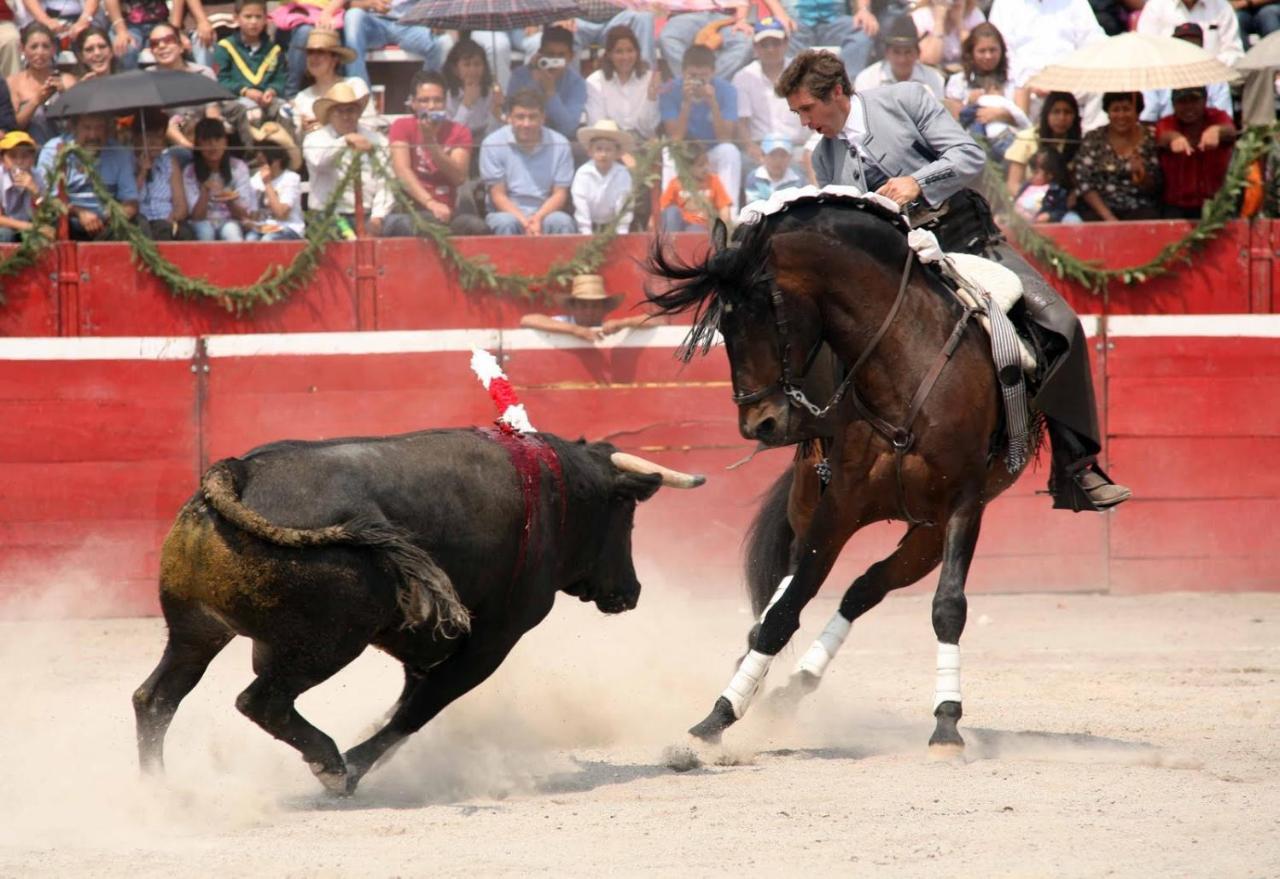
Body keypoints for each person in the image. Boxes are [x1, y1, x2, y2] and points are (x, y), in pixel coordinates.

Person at [776, 49, 1131, 509]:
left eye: (807, 109)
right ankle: (829, 456)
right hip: (903, 265)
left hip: (969, 241)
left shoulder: (904, 100)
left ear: (838, 92)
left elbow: (968, 156)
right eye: (797, 112)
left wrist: (918, 182)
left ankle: (1077, 467)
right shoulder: (825, 157)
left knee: (1060, 325)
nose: (805, 121)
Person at [383, 71, 486, 236]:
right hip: (412, 210)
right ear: (414, 103)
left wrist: (431, 143)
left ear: (445, 103)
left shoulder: (459, 131)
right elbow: (402, 172)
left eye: (437, 100)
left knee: (477, 227)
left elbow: (458, 177)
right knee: (426, 223)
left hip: (449, 211)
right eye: (424, 100)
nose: (431, 106)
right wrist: (430, 203)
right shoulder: (401, 126)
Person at [477, 88, 575, 236]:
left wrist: (537, 218)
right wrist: (525, 221)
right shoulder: (492, 143)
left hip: (546, 212)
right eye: (520, 117)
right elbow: (498, 195)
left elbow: (560, 194)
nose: (526, 123)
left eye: (533, 117)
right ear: (509, 118)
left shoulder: (560, 144)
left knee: (562, 221)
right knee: (505, 222)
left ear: (543, 118)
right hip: (506, 213)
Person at [660, 44, 741, 217]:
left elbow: (725, 138)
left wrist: (712, 102)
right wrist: (687, 103)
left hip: (712, 152)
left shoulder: (727, 91)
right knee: (669, 151)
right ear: (683, 72)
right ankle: (669, 214)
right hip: (687, 153)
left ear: (712, 73)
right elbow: (675, 138)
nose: (697, 81)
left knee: (730, 151)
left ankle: (730, 217)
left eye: (703, 76)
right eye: (692, 76)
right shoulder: (670, 89)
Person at [303, 80, 392, 235]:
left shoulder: (378, 140)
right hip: (326, 216)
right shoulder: (315, 139)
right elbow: (319, 161)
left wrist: (377, 217)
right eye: (339, 111)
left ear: (358, 113)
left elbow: (386, 182)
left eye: (350, 110)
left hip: (369, 215)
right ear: (330, 114)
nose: (345, 116)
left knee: (403, 225)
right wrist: (345, 140)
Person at [37, 111, 138, 239]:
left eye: (99, 128)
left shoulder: (119, 153)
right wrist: (79, 213)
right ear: (73, 128)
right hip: (68, 220)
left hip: (107, 225)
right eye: (87, 127)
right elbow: (46, 199)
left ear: (107, 130)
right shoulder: (53, 149)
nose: (93, 135)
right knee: (51, 222)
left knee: (139, 223)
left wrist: (116, 215)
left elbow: (131, 200)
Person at [214, 0, 292, 149]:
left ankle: (289, 155)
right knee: (252, 112)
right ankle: (255, 159)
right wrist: (245, 91)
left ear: (265, 19)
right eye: (248, 16)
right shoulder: (225, 47)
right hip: (236, 100)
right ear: (236, 19)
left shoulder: (273, 49)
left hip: (266, 99)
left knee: (285, 110)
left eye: (258, 17)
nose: (253, 22)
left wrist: (272, 90)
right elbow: (221, 80)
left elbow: (280, 78)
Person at [1072, 91, 1162, 222]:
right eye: (1115, 110)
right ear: (1107, 112)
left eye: (1126, 109)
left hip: (1140, 210)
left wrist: (1142, 177)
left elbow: (1157, 186)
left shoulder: (1150, 137)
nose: (1121, 115)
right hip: (1100, 211)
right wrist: (1109, 218)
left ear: (1137, 111)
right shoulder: (1093, 139)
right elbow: (1085, 183)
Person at [733, 18, 807, 173]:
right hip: (761, 151)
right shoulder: (743, 77)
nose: (770, 49)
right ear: (755, 47)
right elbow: (742, 121)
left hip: (798, 147)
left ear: (786, 43)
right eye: (764, 44)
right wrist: (750, 147)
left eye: (776, 43)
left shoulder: (802, 72)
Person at [946, 25, 1028, 160]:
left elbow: (1025, 125)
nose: (988, 56)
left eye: (993, 50)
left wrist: (1002, 114)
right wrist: (969, 105)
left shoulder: (1016, 80)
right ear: (971, 52)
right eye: (982, 51)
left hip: (1010, 149)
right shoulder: (958, 82)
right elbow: (953, 124)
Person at [1155, 86, 1236, 219]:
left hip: (1217, 202)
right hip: (1177, 206)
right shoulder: (1167, 122)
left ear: (1204, 101)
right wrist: (1175, 138)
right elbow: (1163, 135)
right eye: (1182, 102)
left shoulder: (1217, 116)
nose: (1188, 107)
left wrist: (1216, 131)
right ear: (1173, 105)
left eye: (1194, 100)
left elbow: (1230, 130)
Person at [341, 0, 450, 88]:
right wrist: (369, 3)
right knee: (352, 14)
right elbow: (348, 4)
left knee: (444, 42)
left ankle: (426, 98)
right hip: (373, 23)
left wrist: (436, 18)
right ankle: (360, 96)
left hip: (410, 25)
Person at [505, 25, 587, 140]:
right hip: (523, 139)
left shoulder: (577, 83)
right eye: (550, 54)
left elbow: (569, 128)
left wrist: (551, 93)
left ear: (570, 57)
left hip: (559, 142)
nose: (554, 60)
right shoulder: (520, 76)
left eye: (560, 55)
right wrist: (534, 83)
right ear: (540, 53)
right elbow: (510, 119)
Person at [1141, 23, 1233, 124]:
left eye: (1192, 44)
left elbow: (1225, 118)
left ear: (1201, 46)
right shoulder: (1157, 73)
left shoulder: (1217, 76)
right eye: (1183, 44)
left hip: (1205, 132)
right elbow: (1148, 113)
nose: (1187, 49)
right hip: (1166, 130)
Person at [756, 0, 875, 77]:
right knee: (780, 35)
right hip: (795, 21)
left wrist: (863, 10)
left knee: (864, 31)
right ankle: (793, 87)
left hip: (835, 20)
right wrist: (779, 13)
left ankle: (846, 87)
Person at [146, 22, 217, 150]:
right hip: (166, 146)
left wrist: (207, 144)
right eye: (155, 43)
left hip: (204, 140)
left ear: (180, 46)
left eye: (168, 40)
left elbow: (213, 115)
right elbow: (161, 123)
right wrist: (188, 146)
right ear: (151, 51)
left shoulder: (204, 73)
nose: (162, 46)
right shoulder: (147, 79)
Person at [181, 116, 253, 240]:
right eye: (207, 140)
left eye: (217, 139)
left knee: (232, 232)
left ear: (225, 142)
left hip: (229, 220)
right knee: (206, 232)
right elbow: (196, 217)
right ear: (198, 144)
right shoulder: (189, 171)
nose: (213, 145)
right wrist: (204, 192)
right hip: (201, 222)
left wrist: (229, 199)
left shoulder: (239, 167)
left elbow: (245, 215)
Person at [585, 25, 659, 143]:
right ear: (609, 54)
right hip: (609, 145)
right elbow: (597, 125)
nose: (625, 57)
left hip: (643, 145)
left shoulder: (650, 79)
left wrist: (651, 98)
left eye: (630, 50)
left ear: (637, 52)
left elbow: (649, 129)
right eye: (619, 52)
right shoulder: (594, 81)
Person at [290, 28, 370, 136]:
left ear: (335, 59)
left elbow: (370, 124)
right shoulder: (302, 97)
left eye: (320, 52)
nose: (314, 58)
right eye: (310, 52)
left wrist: (327, 126)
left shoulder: (355, 86)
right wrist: (302, 128)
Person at [7, 23, 76, 144]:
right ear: (22, 49)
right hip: (27, 152)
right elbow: (12, 126)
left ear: (53, 49)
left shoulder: (67, 80)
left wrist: (64, 94)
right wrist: (36, 101)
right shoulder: (13, 83)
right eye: (34, 47)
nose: (40, 52)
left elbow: (80, 119)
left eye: (45, 46)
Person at [1005, 90, 1081, 196]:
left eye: (1067, 112)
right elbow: (1013, 184)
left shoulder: (1077, 143)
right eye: (1056, 112)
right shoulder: (1027, 138)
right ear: (1046, 114)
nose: (1062, 118)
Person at [853, 16, 945, 101]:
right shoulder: (867, 80)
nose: (902, 59)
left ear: (918, 54)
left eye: (908, 52)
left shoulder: (933, 79)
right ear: (886, 54)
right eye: (896, 52)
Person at [134, 111, 192, 239]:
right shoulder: (127, 161)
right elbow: (128, 200)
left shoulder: (169, 162)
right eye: (149, 136)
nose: (155, 142)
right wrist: (142, 172)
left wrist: (173, 218)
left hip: (166, 220)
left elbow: (181, 205)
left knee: (182, 233)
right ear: (137, 137)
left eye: (159, 137)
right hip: (141, 222)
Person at [657, 7, 756, 82]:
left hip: (726, 16)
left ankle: (709, 85)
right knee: (668, 37)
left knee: (745, 42)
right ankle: (690, 83)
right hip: (684, 15)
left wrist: (742, 20)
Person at [570, 119, 633, 235]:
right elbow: (580, 204)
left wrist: (622, 232)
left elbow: (624, 203)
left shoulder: (623, 173)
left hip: (612, 225)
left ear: (617, 153)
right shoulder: (583, 174)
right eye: (599, 149)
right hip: (586, 225)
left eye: (608, 150)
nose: (603, 154)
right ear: (590, 151)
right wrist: (586, 232)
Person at [1137, 0, 1244, 67]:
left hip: (1213, 82)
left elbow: (1234, 53)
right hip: (1166, 83)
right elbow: (1146, 51)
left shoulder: (1221, 7)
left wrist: (1207, 68)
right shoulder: (1156, 6)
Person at [659, 142, 733, 233]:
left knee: (696, 230)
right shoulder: (676, 183)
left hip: (703, 227)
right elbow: (664, 208)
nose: (706, 168)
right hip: (680, 227)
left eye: (707, 163)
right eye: (701, 165)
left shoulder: (713, 181)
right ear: (687, 168)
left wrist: (724, 230)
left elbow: (724, 207)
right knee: (671, 211)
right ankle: (670, 244)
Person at [441, 37, 502, 145]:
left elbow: (494, 136)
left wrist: (496, 110)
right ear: (456, 69)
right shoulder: (448, 96)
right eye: (467, 65)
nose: (473, 70)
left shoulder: (490, 94)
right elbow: (450, 137)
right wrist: (466, 104)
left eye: (477, 64)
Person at [247, 133, 304, 240]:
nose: (260, 158)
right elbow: (254, 215)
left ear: (277, 159)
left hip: (288, 227)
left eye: (265, 156)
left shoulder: (290, 178)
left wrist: (267, 183)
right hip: (264, 226)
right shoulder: (255, 179)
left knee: (268, 240)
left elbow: (282, 214)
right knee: (249, 239)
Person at [913, 0, 985, 70]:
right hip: (933, 73)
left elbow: (980, 56)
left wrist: (960, 25)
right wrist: (939, 21)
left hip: (966, 72)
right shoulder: (920, 16)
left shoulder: (975, 15)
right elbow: (929, 60)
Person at [0, 129, 43, 242]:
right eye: (13, 156)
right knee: (5, 234)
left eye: (25, 156)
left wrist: (36, 193)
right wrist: (27, 226)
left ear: (33, 159)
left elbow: (46, 213)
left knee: (40, 236)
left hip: (29, 224)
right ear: (2, 160)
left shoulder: (38, 177)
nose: (19, 161)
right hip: (7, 227)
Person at [1014, 148, 1075, 222]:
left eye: (1036, 173)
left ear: (1050, 175)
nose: (1031, 175)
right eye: (1031, 171)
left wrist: (1049, 216)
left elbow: (1061, 210)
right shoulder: (1027, 186)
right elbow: (1016, 201)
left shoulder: (1056, 191)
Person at [745, 134, 804, 202]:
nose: (778, 160)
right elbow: (753, 206)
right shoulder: (754, 177)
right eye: (772, 155)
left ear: (790, 157)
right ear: (763, 156)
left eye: (783, 155)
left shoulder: (798, 179)